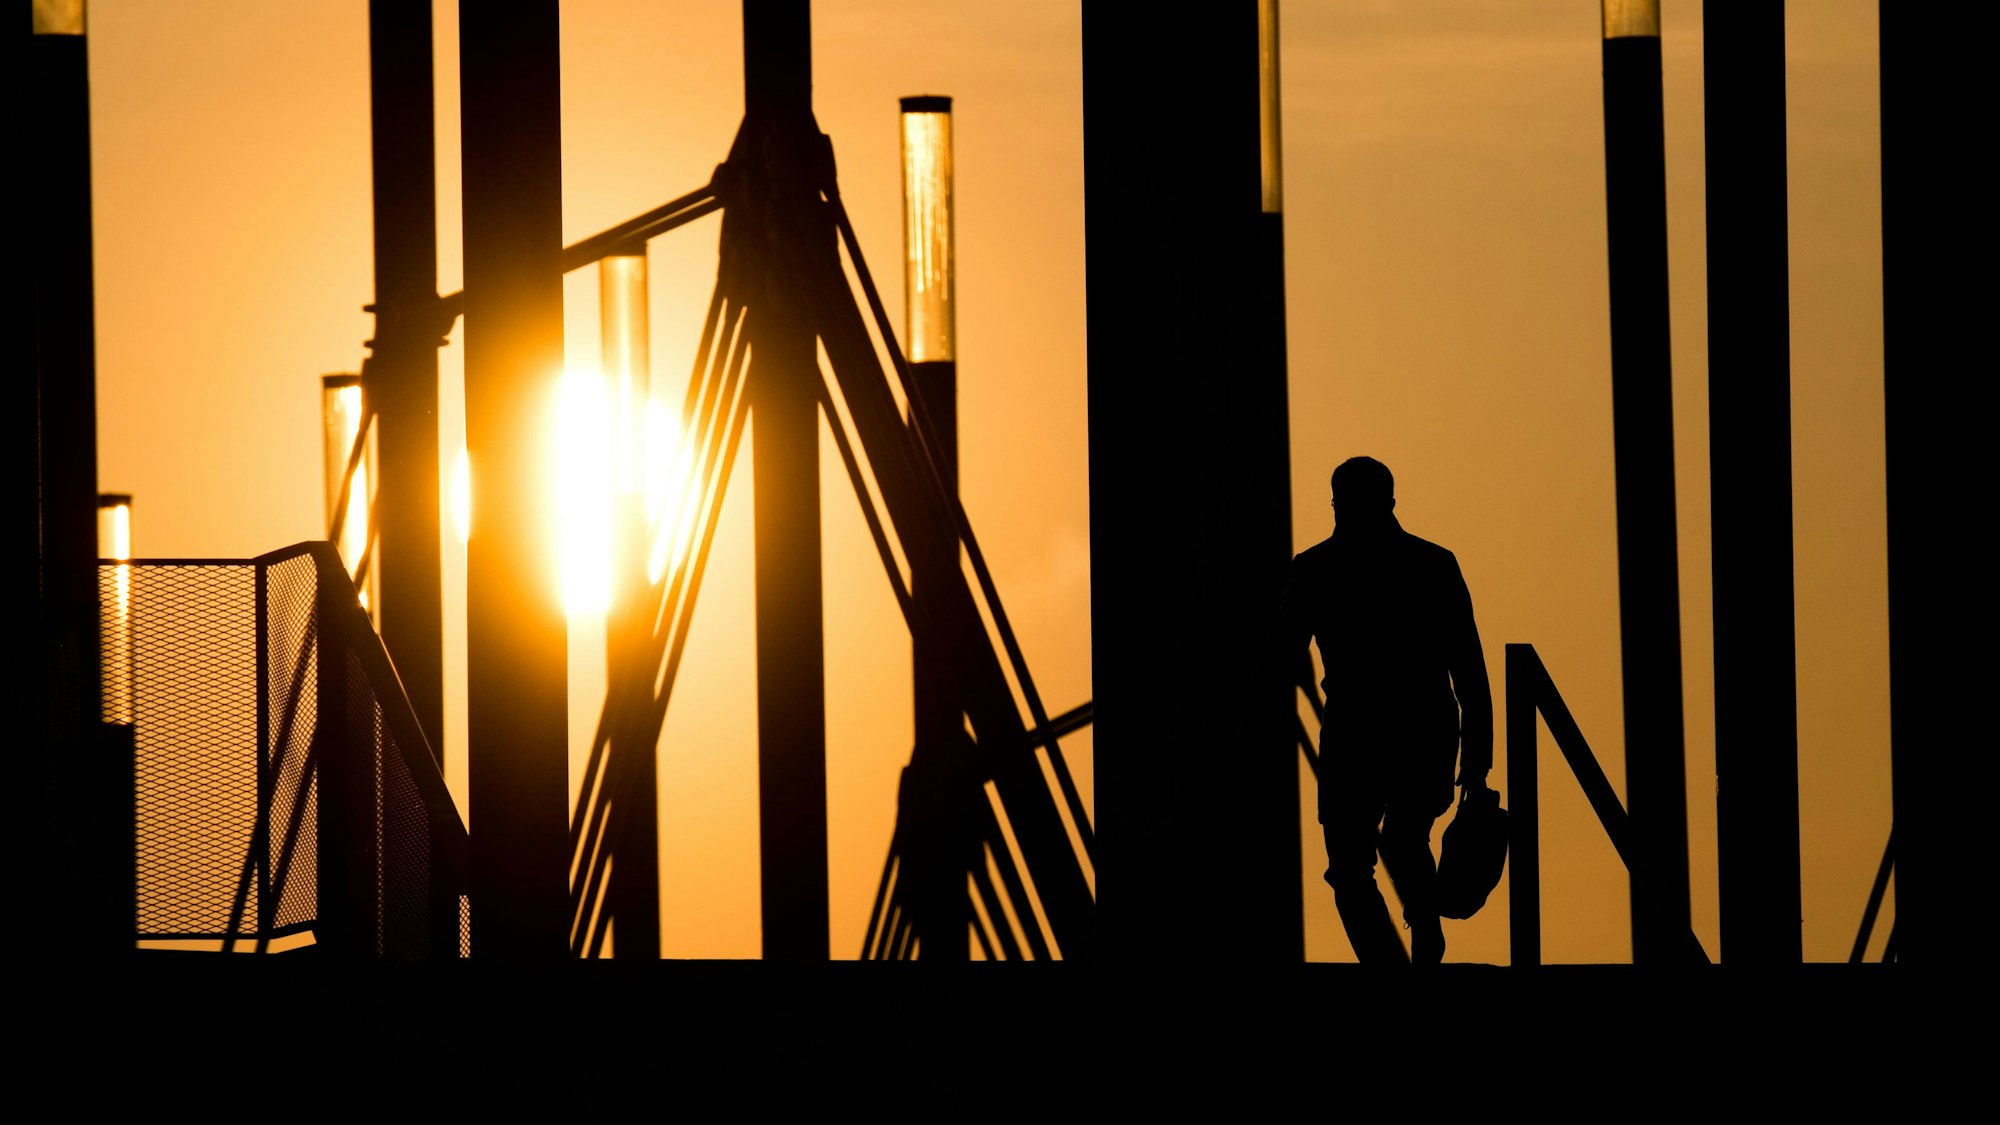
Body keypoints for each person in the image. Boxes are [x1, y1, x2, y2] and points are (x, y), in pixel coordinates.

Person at [1278, 456, 1492, 964]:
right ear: (1391, 500)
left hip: (1359, 733)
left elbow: (1280, 657)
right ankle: (1414, 949)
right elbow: (1469, 670)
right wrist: (1477, 759)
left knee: (1357, 863)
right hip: (1419, 729)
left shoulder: (1315, 569)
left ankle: (1393, 966)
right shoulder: (1433, 564)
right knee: (1397, 842)